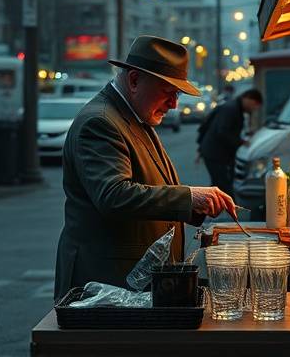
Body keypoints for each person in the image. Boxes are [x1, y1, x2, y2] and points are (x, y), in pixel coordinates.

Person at [54, 36, 236, 301]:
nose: (174, 104)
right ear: (135, 80)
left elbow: (152, 186)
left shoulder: (132, 115)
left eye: (177, 94)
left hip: (127, 282)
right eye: (168, 92)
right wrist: (190, 197)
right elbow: (114, 196)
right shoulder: (100, 122)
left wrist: (195, 205)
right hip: (104, 283)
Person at [197, 88, 263, 198]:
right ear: (248, 99)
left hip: (216, 153)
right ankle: (234, 211)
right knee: (222, 186)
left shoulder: (235, 108)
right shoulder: (231, 109)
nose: (255, 109)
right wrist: (240, 142)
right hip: (215, 153)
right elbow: (222, 131)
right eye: (255, 105)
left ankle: (201, 210)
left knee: (218, 186)